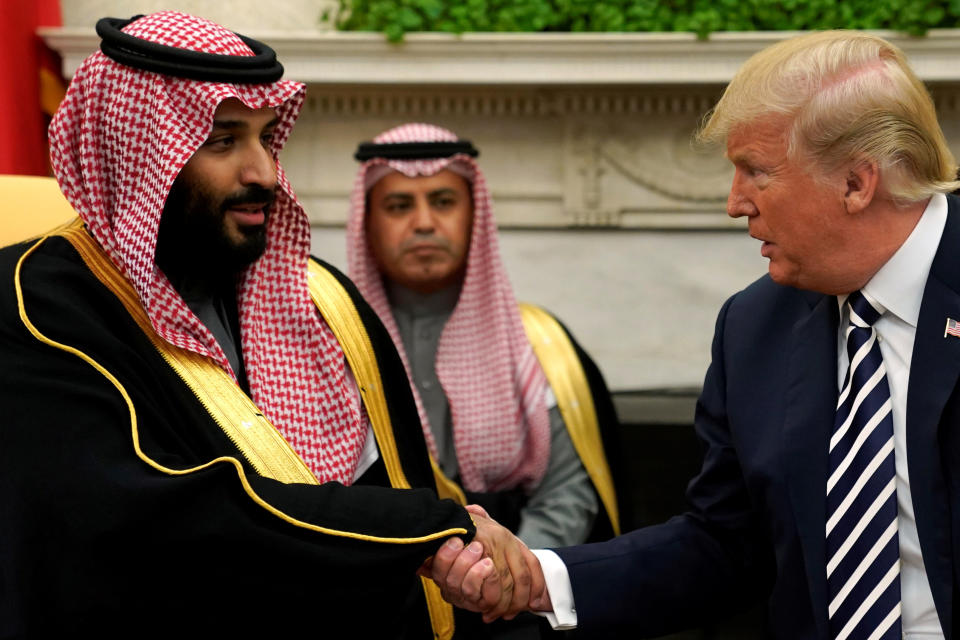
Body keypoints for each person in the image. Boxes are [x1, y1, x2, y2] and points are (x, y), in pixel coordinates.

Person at [0, 12, 537, 637]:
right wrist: (427, 528)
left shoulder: (322, 301)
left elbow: (388, 481)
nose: (262, 173)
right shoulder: (37, 304)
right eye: (224, 140)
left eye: (266, 135)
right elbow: (164, 515)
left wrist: (461, 557)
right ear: (138, 153)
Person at [429, 29, 960, 640]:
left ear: (856, 184)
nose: (735, 203)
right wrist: (539, 577)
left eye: (755, 173)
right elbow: (726, 544)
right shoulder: (755, 327)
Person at [347, 123, 624, 636]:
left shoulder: (541, 344)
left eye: (444, 200)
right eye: (399, 205)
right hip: (380, 597)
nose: (424, 222)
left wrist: (507, 576)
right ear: (367, 224)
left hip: (516, 601)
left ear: (474, 217)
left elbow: (568, 490)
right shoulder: (330, 346)